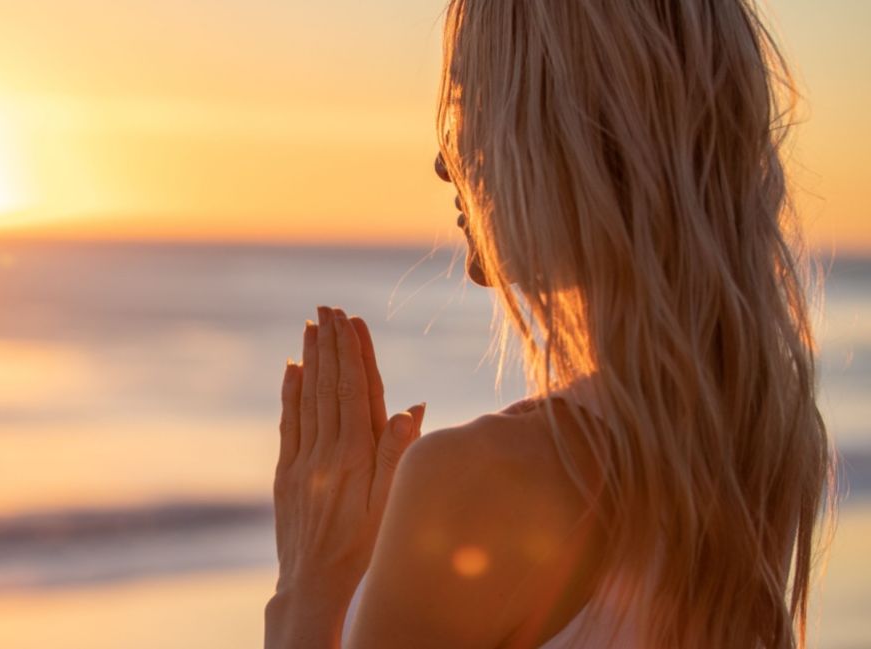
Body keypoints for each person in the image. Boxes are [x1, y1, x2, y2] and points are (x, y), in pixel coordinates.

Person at [264, 1, 835, 647]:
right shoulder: (747, 461)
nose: (445, 161)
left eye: (466, 99)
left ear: (563, 128)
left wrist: (310, 584)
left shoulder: (478, 482)